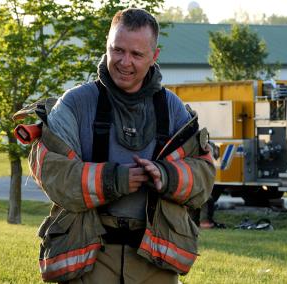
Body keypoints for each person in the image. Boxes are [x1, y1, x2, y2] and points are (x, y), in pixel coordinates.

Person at [19, 8, 215, 284]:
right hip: (88, 255)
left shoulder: (173, 109)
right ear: (107, 46)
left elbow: (204, 177)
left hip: (154, 258)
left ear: (155, 56)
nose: (125, 62)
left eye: (137, 54)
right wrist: (114, 180)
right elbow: (52, 175)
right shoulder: (75, 104)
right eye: (118, 50)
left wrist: (167, 177)